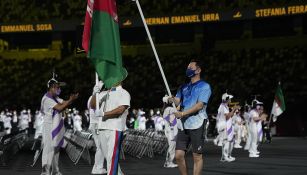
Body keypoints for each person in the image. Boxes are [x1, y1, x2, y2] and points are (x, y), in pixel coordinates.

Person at [167, 59, 211, 175]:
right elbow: (177, 100)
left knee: (197, 156)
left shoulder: (204, 86)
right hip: (184, 124)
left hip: (197, 123)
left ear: (198, 70)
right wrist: (171, 99)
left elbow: (199, 105)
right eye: (188, 68)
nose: (188, 70)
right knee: (178, 155)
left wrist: (182, 113)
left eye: (191, 68)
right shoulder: (183, 87)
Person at [40, 77, 78, 175]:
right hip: (49, 126)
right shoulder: (47, 99)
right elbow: (60, 108)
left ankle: (55, 171)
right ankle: (45, 171)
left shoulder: (54, 98)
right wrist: (70, 100)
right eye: (57, 87)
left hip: (55, 125)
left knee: (56, 149)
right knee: (49, 148)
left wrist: (70, 100)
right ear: (51, 88)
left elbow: (64, 103)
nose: (59, 89)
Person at [91, 82, 130, 175]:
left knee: (112, 158)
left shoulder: (124, 92)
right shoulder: (103, 93)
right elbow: (92, 106)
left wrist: (104, 114)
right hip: (102, 127)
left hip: (115, 128)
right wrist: (94, 93)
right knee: (108, 158)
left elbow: (121, 109)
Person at [88, 80, 107, 174]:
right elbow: (95, 107)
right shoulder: (96, 97)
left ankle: (96, 168)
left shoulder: (91, 97)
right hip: (97, 125)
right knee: (101, 147)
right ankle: (98, 168)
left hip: (94, 124)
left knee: (100, 147)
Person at [218, 93, 240, 162]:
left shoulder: (224, 106)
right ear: (226, 99)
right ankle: (225, 156)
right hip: (224, 125)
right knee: (226, 141)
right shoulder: (223, 107)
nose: (230, 100)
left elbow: (229, 116)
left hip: (226, 125)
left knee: (227, 141)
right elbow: (227, 117)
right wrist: (233, 109)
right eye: (229, 98)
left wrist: (234, 110)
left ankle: (225, 156)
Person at [162, 98, 178, 168]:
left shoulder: (167, 109)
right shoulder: (170, 109)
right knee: (172, 147)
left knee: (171, 147)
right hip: (171, 130)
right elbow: (172, 121)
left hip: (170, 130)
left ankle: (168, 162)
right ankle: (169, 162)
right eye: (170, 100)